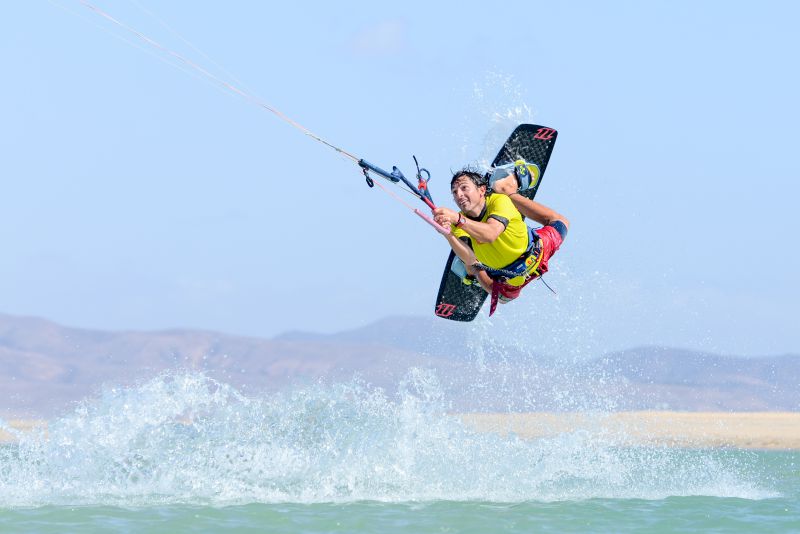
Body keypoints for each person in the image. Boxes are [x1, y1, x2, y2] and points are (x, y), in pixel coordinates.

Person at [432, 162, 569, 315]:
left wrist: (456, 219)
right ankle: (476, 277)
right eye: (454, 192)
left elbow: (490, 234)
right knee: (498, 294)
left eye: (464, 188)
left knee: (561, 222)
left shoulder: (499, 201)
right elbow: (470, 260)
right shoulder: (457, 223)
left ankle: (509, 189)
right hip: (509, 277)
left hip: (540, 250)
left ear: (482, 190)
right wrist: (447, 233)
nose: (459, 195)